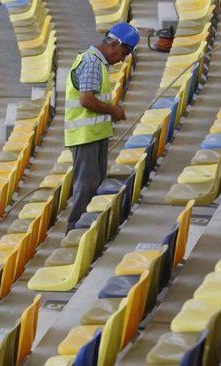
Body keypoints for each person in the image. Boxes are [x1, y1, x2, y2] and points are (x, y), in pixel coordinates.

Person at [64, 22, 140, 233]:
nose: (123, 59)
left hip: (94, 136)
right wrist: (112, 111)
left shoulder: (98, 63)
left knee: (95, 186)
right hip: (85, 136)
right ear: (115, 44)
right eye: (124, 53)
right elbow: (86, 100)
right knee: (86, 188)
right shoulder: (92, 63)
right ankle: (75, 231)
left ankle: (87, 231)